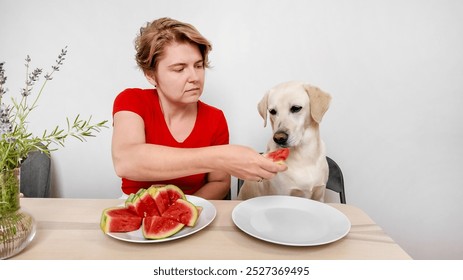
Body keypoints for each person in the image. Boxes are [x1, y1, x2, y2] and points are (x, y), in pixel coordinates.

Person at [112, 17, 286, 199]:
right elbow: (126, 161)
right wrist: (221, 157)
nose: (194, 77)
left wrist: (184, 210)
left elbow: (218, 182)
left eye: (199, 65)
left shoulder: (214, 118)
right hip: (136, 211)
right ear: (151, 75)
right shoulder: (132, 100)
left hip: (196, 211)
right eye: (179, 69)